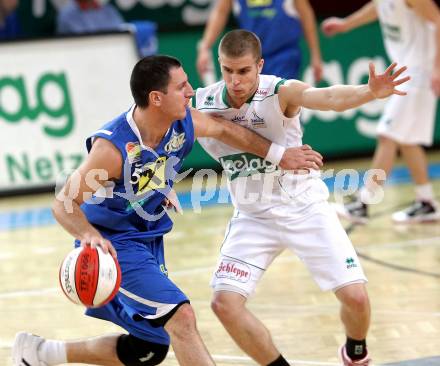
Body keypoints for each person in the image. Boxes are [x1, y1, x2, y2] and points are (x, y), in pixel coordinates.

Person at [11, 55, 323, 366]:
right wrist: (89, 235)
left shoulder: (182, 122)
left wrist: (279, 155)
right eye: (182, 86)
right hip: (113, 244)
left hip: (146, 239)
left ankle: (39, 353)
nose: (191, 91)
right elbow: (63, 203)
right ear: (156, 98)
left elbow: (224, 130)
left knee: (149, 348)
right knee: (182, 318)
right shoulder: (112, 149)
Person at [195, 30, 410, 366]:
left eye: (244, 71)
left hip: (305, 208)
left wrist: (368, 92)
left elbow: (328, 98)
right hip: (253, 217)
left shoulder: (280, 91)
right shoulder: (204, 102)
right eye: (228, 71)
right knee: (223, 304)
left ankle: (355, 351)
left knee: (355, 297)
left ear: (259, 66)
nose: (235, 81)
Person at [321, 0, 440, 224]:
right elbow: (376, 8)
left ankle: (363, 203)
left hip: (419, 73)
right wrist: (345, 24)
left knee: (387, 135)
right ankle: (426, 202)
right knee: (407, 141)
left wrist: (437, 68)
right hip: (407, 72)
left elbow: (438, 21)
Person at [196, 0, 323, 84]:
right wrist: (205, 47)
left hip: (283, 56)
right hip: (250, 58)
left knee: (281, 103)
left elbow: (306, 16)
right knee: (253, 112)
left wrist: (315, 55)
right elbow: (220, 12)